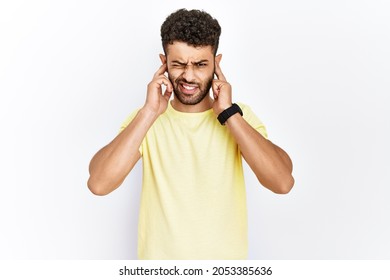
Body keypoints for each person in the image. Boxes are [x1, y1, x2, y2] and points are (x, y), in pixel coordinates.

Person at [87, 8, 294, 260]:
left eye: (200, 64)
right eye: (178, 64)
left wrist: (228, 113)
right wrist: (150, 112)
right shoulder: (145, 119)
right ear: (164, 63)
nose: (188, 75)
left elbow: (282, 182)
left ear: (216, 64)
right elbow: (98, 184)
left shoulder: (238, 117)